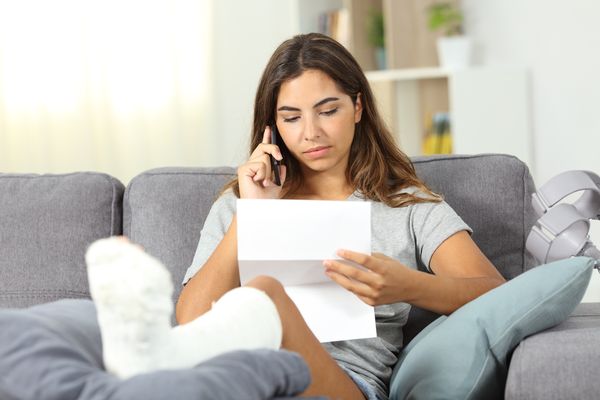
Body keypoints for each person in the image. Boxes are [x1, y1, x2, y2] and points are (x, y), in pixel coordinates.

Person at [176, 33, 505, 400]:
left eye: (328, 111)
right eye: (291, 118)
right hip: (242, 377)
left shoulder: (406, 205)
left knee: (264, 294)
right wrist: (252, 213)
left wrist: (407, 286)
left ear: (358, 107)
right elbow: (190, 321)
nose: (311, 133)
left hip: (345, 384)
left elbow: (496, 293)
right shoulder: (242, 202)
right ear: (273, 126)